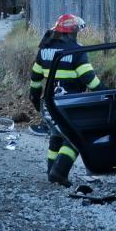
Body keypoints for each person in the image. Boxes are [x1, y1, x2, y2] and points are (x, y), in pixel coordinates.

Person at [28, 14, 102, 187]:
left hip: (49, 106)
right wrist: (109, 92)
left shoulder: (44, 50)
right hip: (70, 107)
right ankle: (59, 172)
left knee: (56, 137)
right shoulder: (76, 51)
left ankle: (51, 171)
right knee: (77, 138)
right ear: (72, 32)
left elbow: (35, 81)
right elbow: (90, 81)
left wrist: (37, 103)